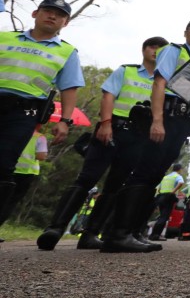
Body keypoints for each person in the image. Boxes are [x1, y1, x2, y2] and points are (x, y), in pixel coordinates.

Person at [36, 36, 169, 251]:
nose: (156, 51)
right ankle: (55, 228)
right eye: (152, 46)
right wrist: (106, 124)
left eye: (162, 48)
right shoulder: (127, 71)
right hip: (112, 129)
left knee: (115, 186)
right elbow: (108, 97)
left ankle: (90, 234)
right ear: (143, 49)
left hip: (138, 138)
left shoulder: (166, 82)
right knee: (87, 178)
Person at [101, 16, 190, 253]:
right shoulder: (173, 50)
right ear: (186, 32)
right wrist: (157, 120)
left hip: (181, 120)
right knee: (143, 173)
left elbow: (181, 91)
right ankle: (117, 233)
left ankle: (133, 231)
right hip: (165, 117)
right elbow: (159, 84)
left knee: (153, 176)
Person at [0, 0, 84, 226]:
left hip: (23, 114)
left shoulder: (67, 52)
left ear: (65, 23)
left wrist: (65, 120)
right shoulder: (5, 37)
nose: (52, 16)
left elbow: (69, 88)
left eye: (59, 14)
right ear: (35, 13)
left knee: (4, 166)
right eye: (48, 11)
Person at [0, 126, 48, 229]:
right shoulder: (40, 137)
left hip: (8, 168)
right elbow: (41, 156)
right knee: (11, 202)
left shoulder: (13, 130)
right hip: (26, 173)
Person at [148, 163, 185, 241]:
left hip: (161, 196)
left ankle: (154, 235)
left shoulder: (165, 177)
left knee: (161, 216)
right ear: (179, 169)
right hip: (169, 197)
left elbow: (158, 188)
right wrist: (173, 191)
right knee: (164, 217)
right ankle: (156, 235)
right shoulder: (177, 176)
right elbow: (181, 182)